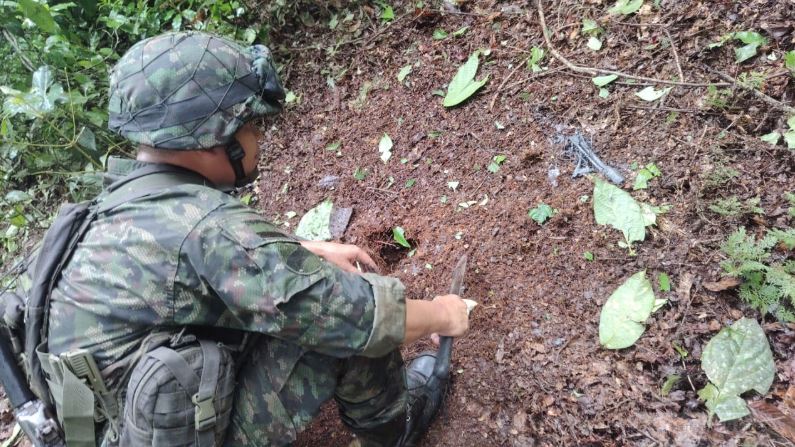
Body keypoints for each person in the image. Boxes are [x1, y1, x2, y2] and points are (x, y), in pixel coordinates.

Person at [40, 31, 470, 446]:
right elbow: (359, 317)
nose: (259, 138)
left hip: (111, 424)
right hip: (148, 427)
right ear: (214, 139)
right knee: (344, 318)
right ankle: (394, 431)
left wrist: (302, 250)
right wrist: (443, 313)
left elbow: (174, 274)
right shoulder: (208, 229)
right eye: (251, 127)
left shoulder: (114, 206)